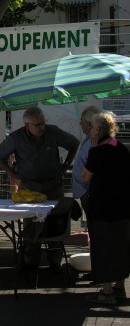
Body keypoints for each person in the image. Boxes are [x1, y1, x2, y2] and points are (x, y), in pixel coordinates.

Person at [0, 107, 79, 271]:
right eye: (37, 125)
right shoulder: (16, 138)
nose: (41, 127)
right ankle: (30, 262)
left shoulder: (53, 132)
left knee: (56, 223)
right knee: (32, 226)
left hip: (53, 186)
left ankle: (55, 261)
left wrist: (66, 165)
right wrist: (12, 173)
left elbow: (74, 143)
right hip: (30, 189)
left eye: (43, 123)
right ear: (27, 125)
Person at [82, 112, 130, 305]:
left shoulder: (97, 151)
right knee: (121, 247)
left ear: (98, 130)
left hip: (103, 208)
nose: (90, 130)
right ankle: (120, 288)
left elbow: (86, 176)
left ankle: (107, 292)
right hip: (123, 207)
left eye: (92, 127)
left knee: (103, 249)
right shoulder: (120, 148)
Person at [72, 106, 102, 227]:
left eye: (82, 121)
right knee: (93, 225)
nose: (80, 123)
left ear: (90, 125)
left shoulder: (95, 143)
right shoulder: (89, 140)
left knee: (96, 226)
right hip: (85, 191)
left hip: (90, 192)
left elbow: (91, 168)